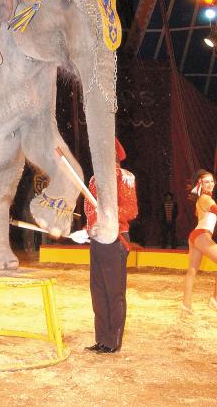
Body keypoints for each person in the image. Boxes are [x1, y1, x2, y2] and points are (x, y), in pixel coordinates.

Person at [84, 138, 138, 354]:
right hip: (97, 239)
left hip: (116, 237)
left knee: (114, 291)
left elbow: (131, 210)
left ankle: (113, 340)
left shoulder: (125, 177)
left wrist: (110, 216)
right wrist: (89, 228)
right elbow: (89, 209)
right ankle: (102, 339)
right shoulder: (94, 179)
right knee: (97, 290)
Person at [181, 169, 217, 315]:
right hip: (201, 235)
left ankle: (186, 306)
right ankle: (215, 299)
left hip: (195, 235)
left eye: (211, 181)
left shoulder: (201, 199)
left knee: (192, 271)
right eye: (206, 181)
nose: (210, 184)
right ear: (200, 184)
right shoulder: (206, 199)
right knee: (192, 271)